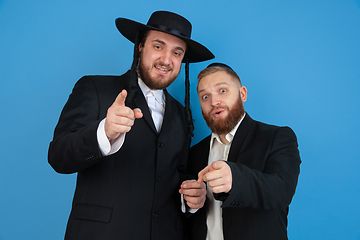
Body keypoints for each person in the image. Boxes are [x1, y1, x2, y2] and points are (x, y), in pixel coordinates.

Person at [48, 11, 214, 240]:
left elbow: (176, 179)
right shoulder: (96, 88)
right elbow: (58, 156)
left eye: (177, 53)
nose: (167, 60)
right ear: (140, 46)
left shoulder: (181, 114)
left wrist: (192, 200)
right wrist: (104, 132)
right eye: (158, 46)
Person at [180, 63, 301, 240]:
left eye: (222, 90)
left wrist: (235, 180)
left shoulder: (277, 137)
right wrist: (191, 204)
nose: (214, 102)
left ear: (242, 94)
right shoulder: (194, 152)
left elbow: (282, 190)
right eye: (205, 96)